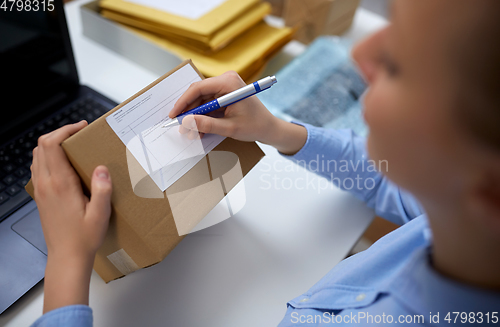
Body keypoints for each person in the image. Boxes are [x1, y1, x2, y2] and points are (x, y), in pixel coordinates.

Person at [30, 0, 500, 326]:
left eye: (399, 66)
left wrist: (68, 261)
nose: (359, 54)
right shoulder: (461, 223)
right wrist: (279, 132)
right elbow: (392, 185)